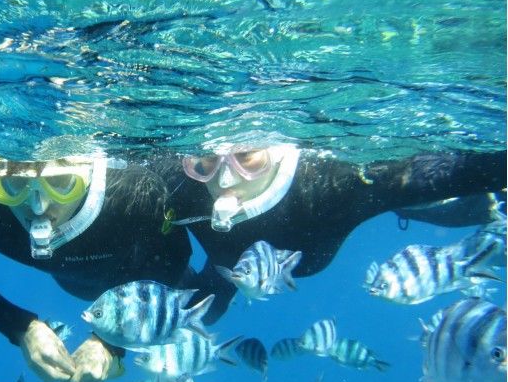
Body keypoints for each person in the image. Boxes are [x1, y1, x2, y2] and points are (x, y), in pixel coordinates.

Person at [0, 153, 197, 382]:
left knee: (204, 312)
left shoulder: (133, 193)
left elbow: (174, 255)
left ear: (90, 171)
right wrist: (20, 328)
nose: (38, 205)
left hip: (140, 276)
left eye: (61, 183)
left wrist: (110, 344)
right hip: (71, 282)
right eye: (16, 184)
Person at [161, 141, 507, 318]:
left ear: (279, 151)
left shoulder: (335, 185)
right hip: (229, 268)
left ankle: (492, 208)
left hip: (316, 243)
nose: (224, 178)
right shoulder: (181, 179)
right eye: (205, 159)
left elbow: (448, 172)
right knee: (202, 316)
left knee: (406, 194)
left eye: (247, 156)